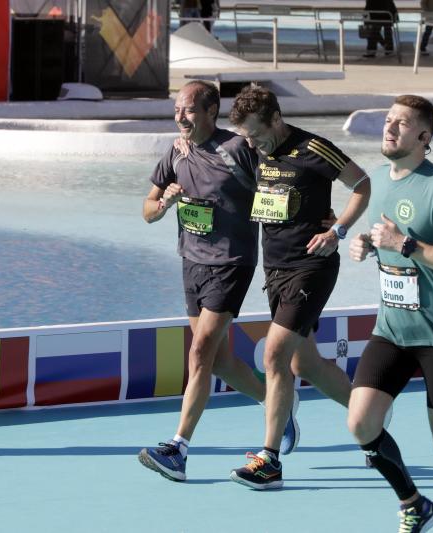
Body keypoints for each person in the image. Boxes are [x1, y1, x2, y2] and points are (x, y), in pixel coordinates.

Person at [138, 81, 300, 482]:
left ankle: (178, 449)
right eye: (177, 109)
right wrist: (164, 204)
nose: (180, 117)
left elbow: (278, 187)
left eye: (189, 110)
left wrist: (299, 224)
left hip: (231, 263)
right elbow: (147, 209)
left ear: (211, 112)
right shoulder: (176, 152)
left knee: (200, 352)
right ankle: (276, 402)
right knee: (220, 361)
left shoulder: (239, 149)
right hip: (190, 263)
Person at [347, 95, 433, 533]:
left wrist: (405, 245)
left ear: (424, 137)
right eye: (388, 120)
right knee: (361, 423)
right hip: (391, 328)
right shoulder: (376, 181)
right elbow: (384, 241)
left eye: (402, 124)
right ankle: (414, 503)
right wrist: (366, 246)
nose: (390, 128)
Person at [225, 85, 371, 490]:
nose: (251, 143)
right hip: (275, 268)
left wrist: (338, 230)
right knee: (303, 364)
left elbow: (362, 184)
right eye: (245, 137)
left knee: (274, 355)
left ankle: (268, 461)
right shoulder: (254, 147)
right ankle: (371, 415)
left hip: (312, 265)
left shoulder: (314, 148)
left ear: (276, 119)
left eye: (256, 133)